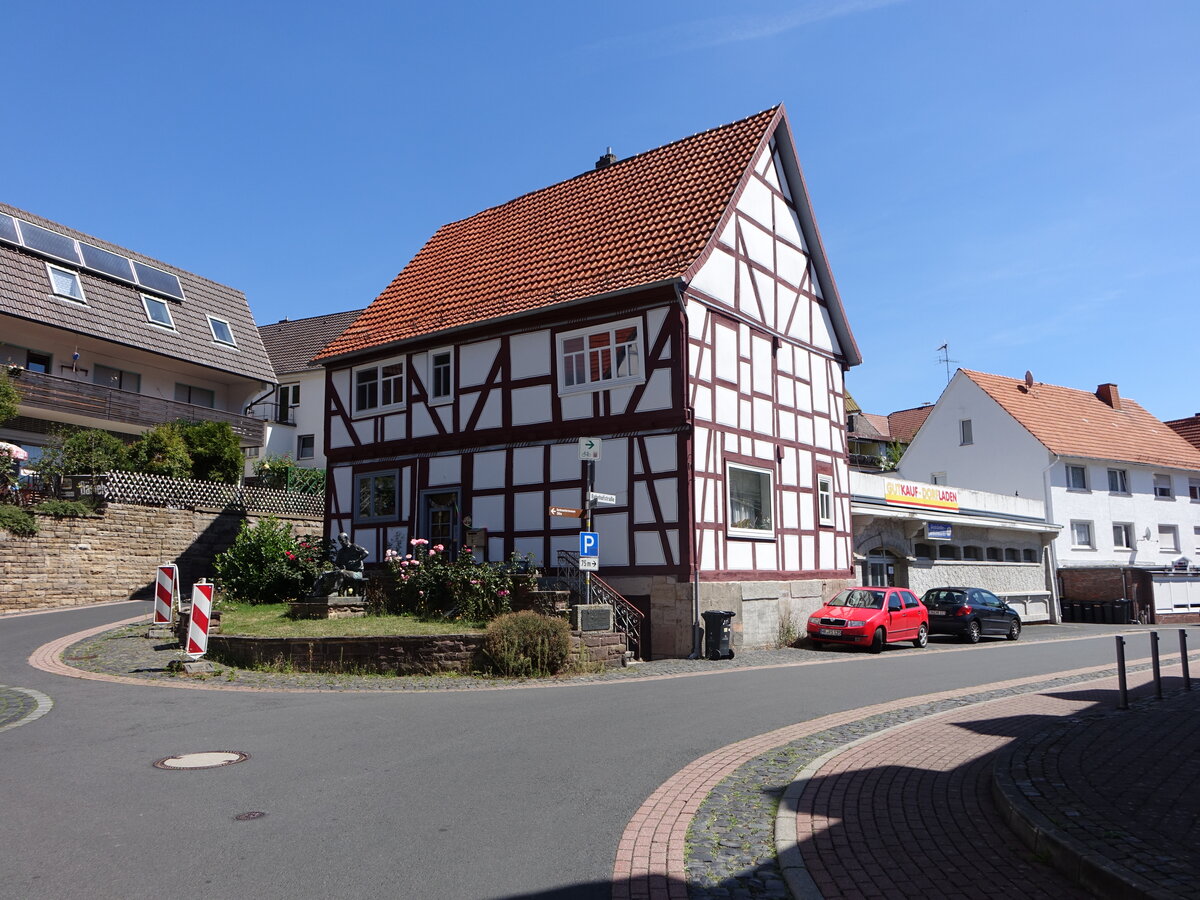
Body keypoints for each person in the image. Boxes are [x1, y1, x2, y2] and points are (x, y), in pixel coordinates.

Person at [310, 533, 369, 597]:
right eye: (340, 541)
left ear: (346, 539)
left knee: (341, 572)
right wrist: (337, 567)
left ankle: (335, 591)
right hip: (345, 571)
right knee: (324, 573)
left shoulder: (354, 547)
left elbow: (366, 553)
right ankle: (319, 591)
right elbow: (337, 564)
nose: (341, 543)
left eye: (342, 541)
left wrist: (357, 561)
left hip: (357, 573)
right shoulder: (341, 552)